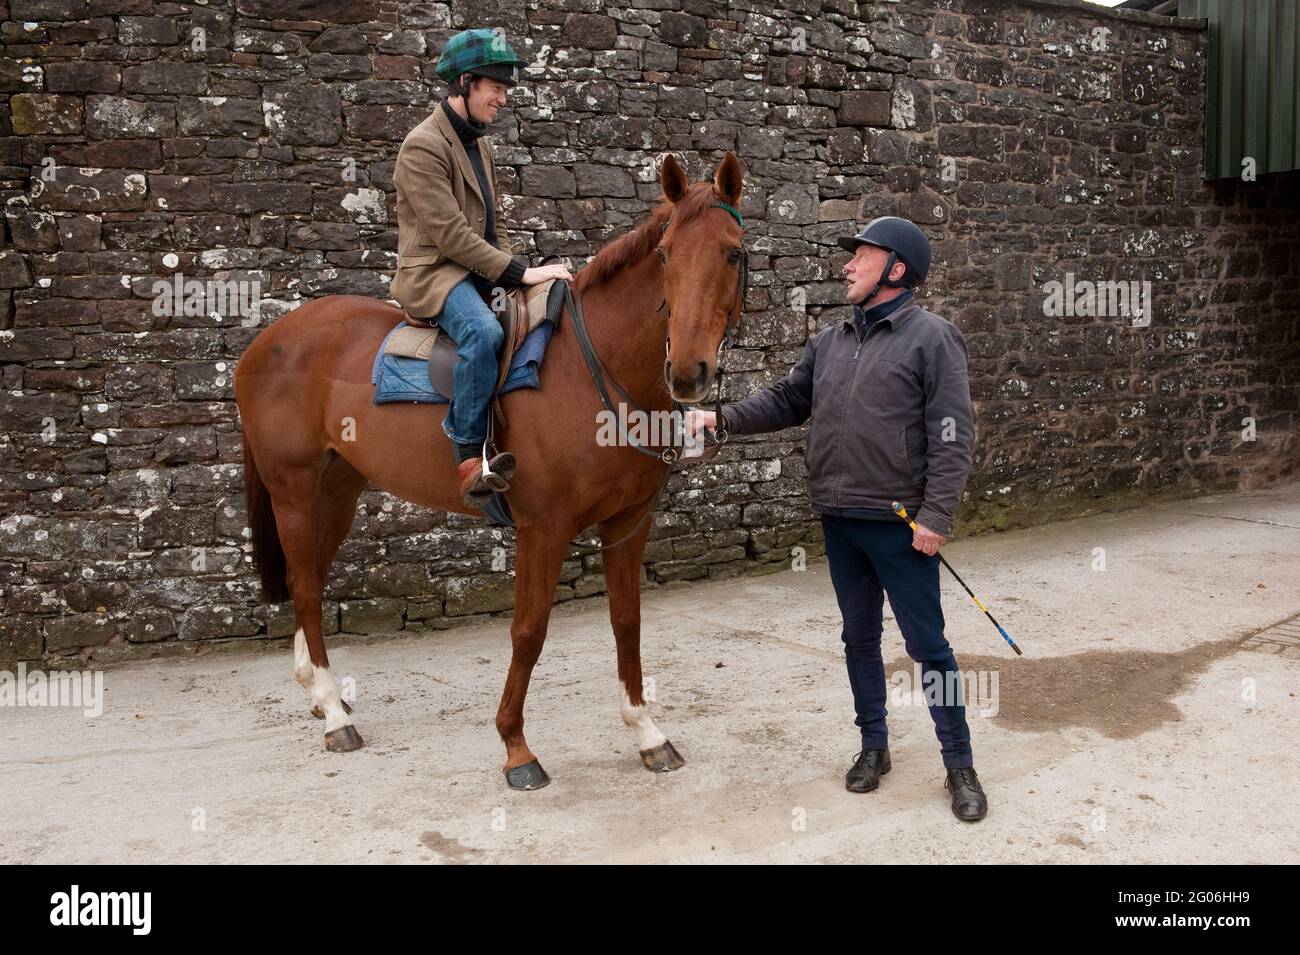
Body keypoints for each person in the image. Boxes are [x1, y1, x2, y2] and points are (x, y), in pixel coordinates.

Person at [686, 217, 988, 822]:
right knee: (858, 639)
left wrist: (937, 515)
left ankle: (960, 763)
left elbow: (952, 435)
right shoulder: (830, 341)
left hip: (902, 524)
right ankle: (873, 747)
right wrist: (721, 418)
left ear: (896, 270)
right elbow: (791, 401)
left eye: (863, 257)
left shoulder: (934, 339)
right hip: (839, 517)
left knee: (929, 646)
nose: (847, 266)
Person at [392, 28, 572, 507]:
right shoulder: (422, 146)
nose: (503, 97)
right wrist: (520, 273)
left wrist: (516, 270)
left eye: (505, 87)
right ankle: (470, 458)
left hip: (475, 269)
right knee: (484, 334)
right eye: (495, 86)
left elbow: (496, 227)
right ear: (464, 83)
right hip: (434, 273)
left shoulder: (480, 144)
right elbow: (451, 236)